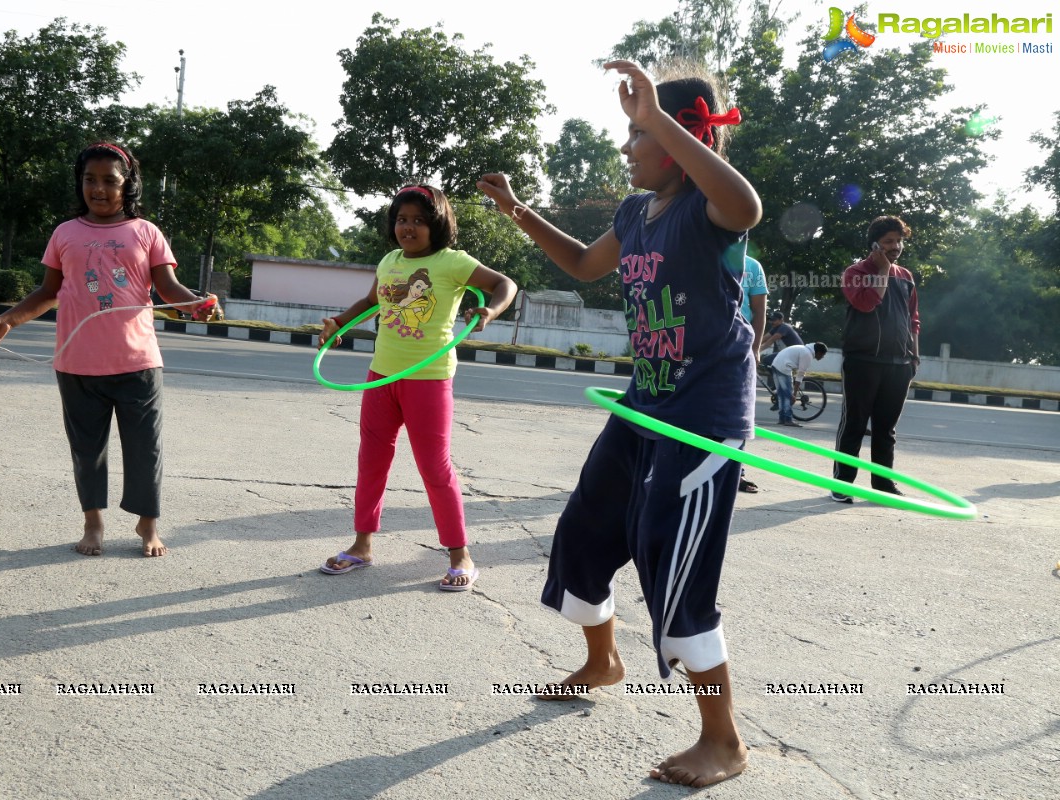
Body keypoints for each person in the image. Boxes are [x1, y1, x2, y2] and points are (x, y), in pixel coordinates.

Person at [479, 58, 761, 787]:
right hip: (645, 402)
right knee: (585, 530)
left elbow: (748, 206)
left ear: (680, 140)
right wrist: (515, 207)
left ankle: (722, 740)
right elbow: (580, 264)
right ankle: (603, 659)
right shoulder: (636, 214)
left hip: (702, 415)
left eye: (639, 135)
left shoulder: (710, 213)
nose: (628, 148)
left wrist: (661, 117)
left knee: (673, 561)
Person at [0, 142, 215, 556]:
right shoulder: (65, 234)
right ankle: (94, 525)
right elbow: (48, 292)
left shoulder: (146, 232)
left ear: (128, 185)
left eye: (109, 180)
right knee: (87, 451)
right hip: (77, 364)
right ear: (80, 182)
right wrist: (6, 320)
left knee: (145, 449)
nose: (98, 189)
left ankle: (147, 525)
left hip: (137, 363)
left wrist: (194, 304)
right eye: (90, 180)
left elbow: (168, 289)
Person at [317, 184, 517, 591]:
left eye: (419, 221)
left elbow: (505, 284)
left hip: (429, 379)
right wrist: (338, 322)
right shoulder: (389, 260)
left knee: (434, 468)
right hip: (381, 376)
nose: (408, 228)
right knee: (371, 460)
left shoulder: (452, 262)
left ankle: (461, 555)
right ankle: (361, 546)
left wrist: (489, 310)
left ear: (437, 224)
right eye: (402, 219)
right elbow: (371, 302)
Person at [831, 216, 920, 503]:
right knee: (854, 424)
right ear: (874, 245)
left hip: (899, 364)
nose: (896, 247)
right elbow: (867, 304)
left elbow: (913, 319)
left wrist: (914, 357)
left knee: (886, 429)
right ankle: (843, 484)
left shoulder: (906, 276)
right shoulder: (855, 272)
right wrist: (882, 270)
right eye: (888, 242)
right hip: (862, 361)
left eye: (899, 241)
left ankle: (882, 485)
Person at [732, 254, 767, 491]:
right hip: (701, 346)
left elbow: (759, 310)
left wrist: (755, 348)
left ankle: (735, 472)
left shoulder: (752, 266)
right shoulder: (698, 252)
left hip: (738, 348)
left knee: (736, 414)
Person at [770, 342, 828, 427]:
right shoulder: (807, 354)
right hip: (783, 367)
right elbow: (800, 375)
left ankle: (782, 419)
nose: (823, 357)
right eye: (823, 355)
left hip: (776, 365)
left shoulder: (803, 349)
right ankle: (788, 419)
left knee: (782, 394)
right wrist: (794, 393)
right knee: (787, 396)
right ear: (819, 352)